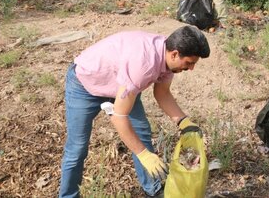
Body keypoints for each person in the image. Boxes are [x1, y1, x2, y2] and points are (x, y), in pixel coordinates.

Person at [58, 26, 210, 198]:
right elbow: (119, 117)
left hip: (123, 84)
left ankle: (153, 190)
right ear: (175, 54)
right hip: (86, 84)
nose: (191, 69)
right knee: (77, 148)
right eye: (189, 63)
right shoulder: (144, 64)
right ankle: (68, 196)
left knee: (142, 133)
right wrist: (143, 154)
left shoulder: (168, 58)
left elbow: (162, 93)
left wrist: (184, 122)